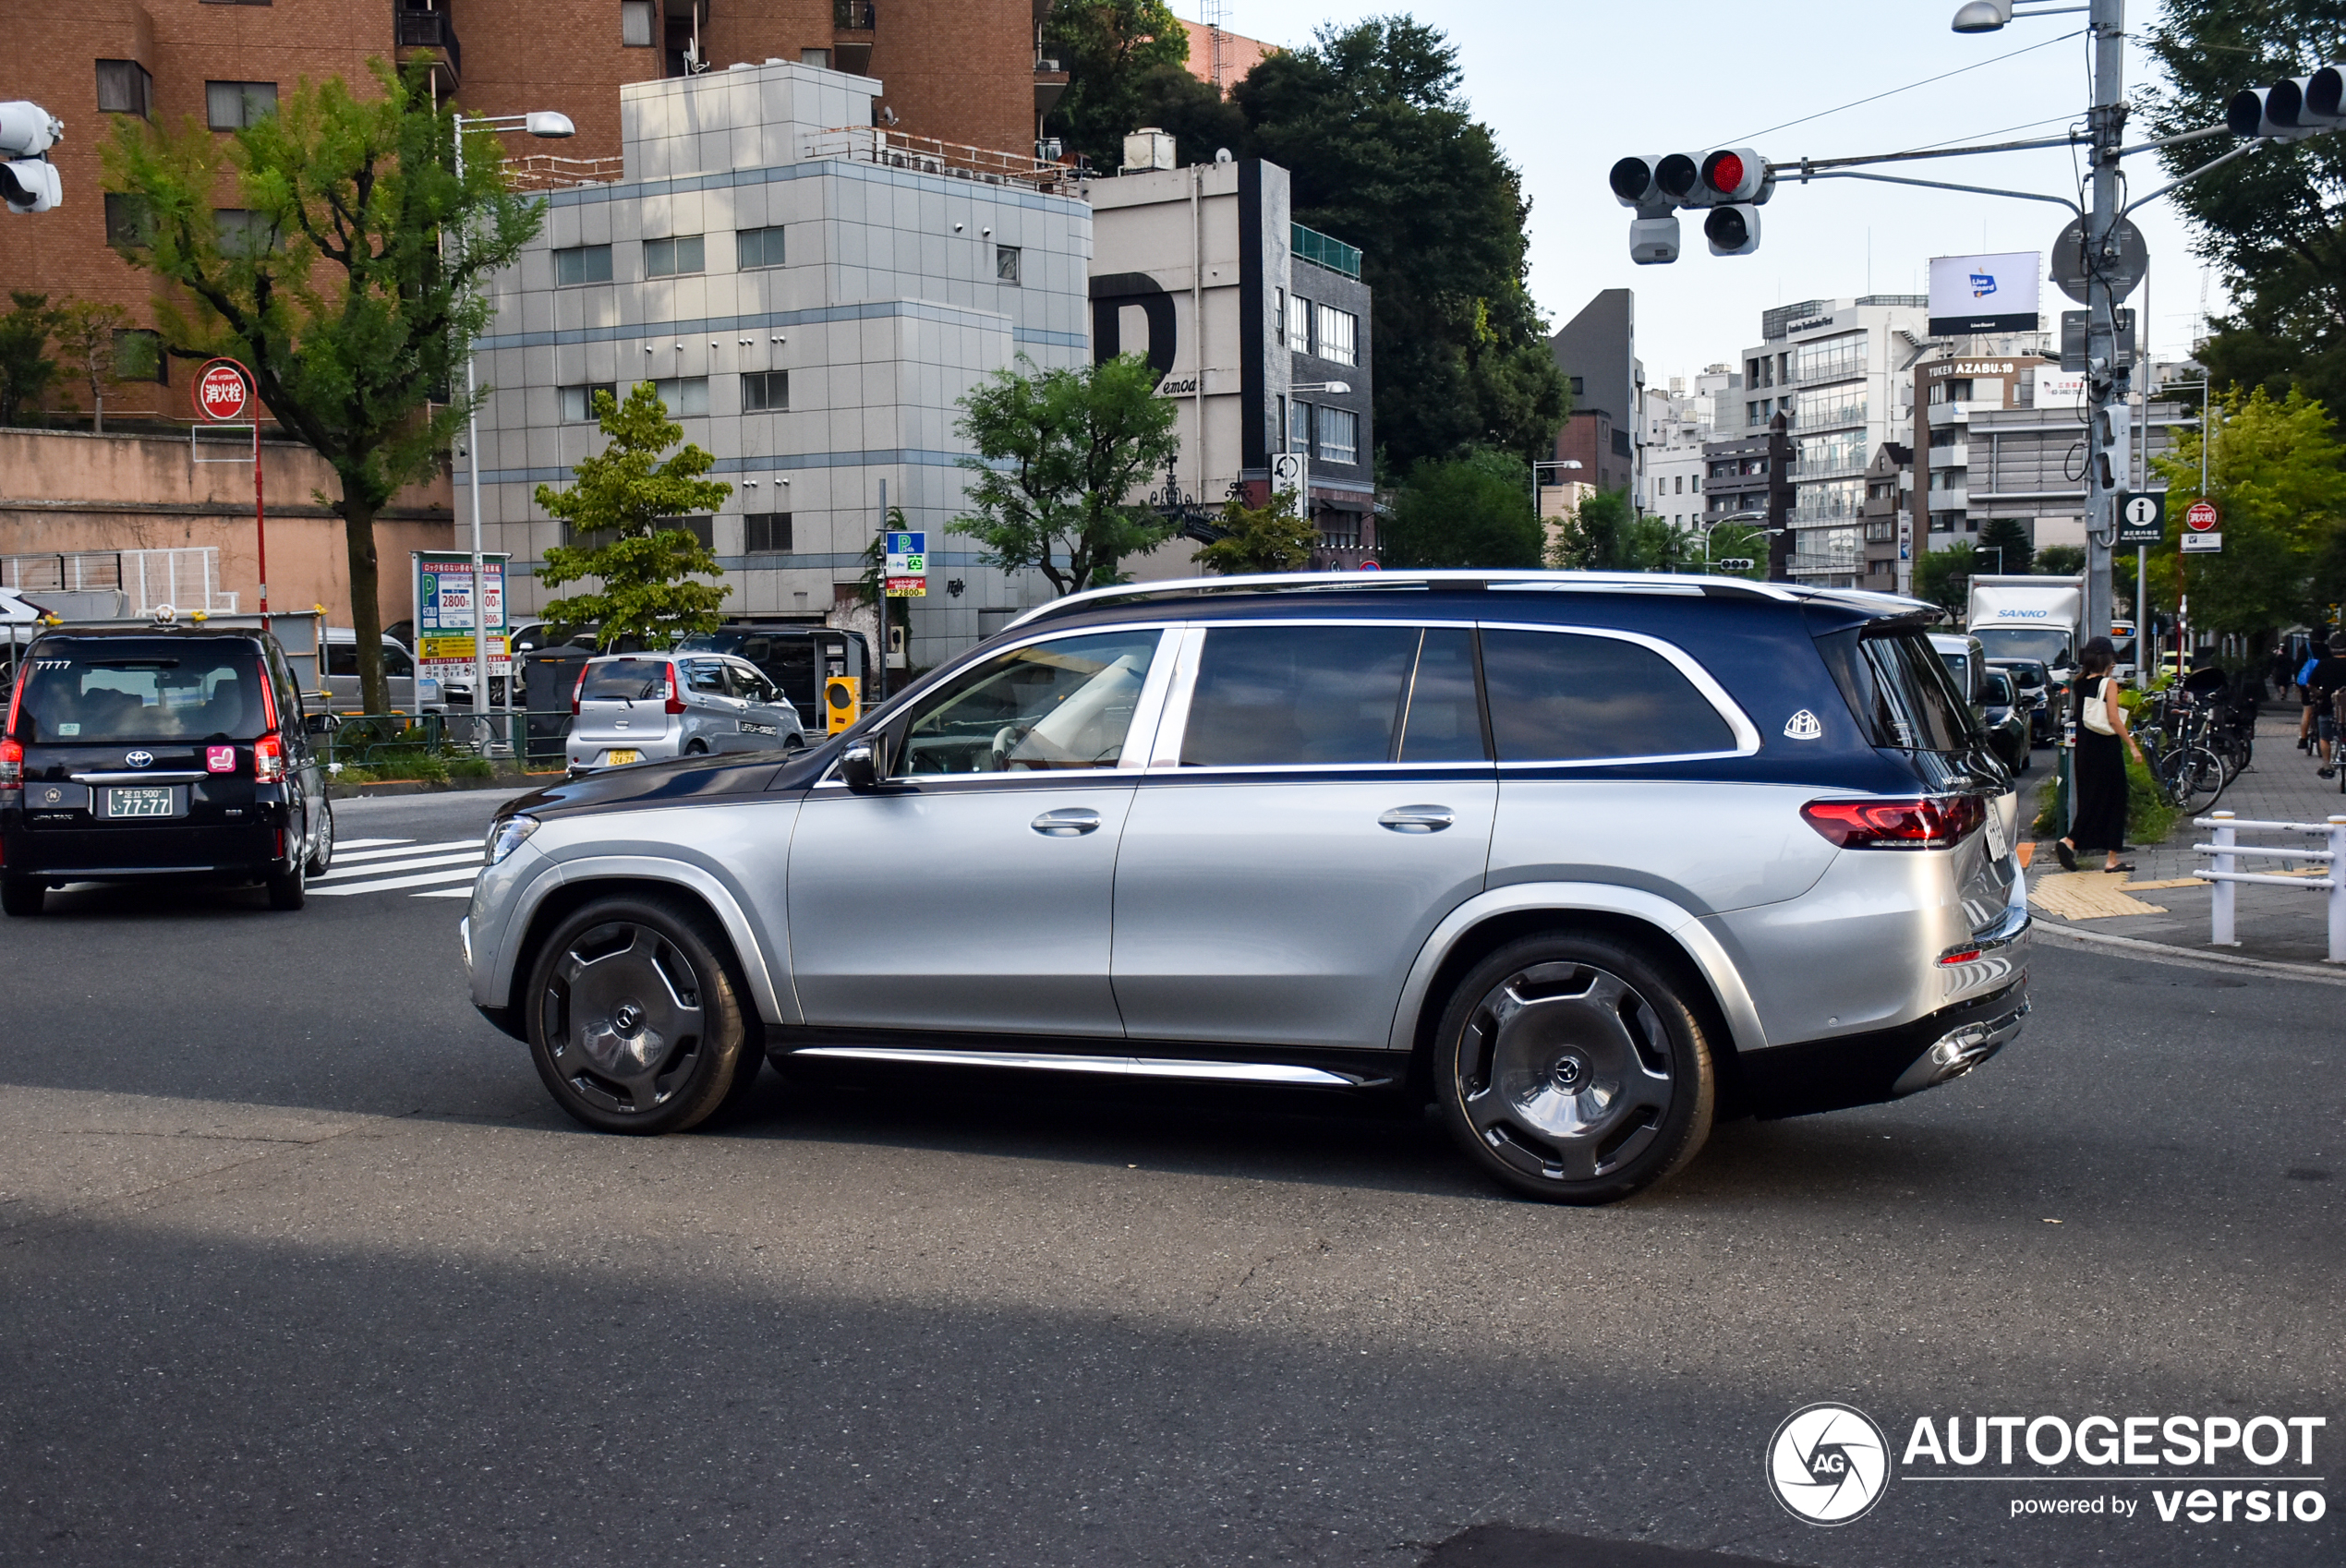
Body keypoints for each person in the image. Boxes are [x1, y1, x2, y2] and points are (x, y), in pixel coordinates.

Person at [2057, 636, 2145, 874]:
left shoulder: (2080, 682)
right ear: (2108, 658)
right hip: (2106, 749)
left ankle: (2071, 841)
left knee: (2091, 799)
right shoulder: (2109, 684)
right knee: (2116, 799)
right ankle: (2111, 858)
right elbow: (2114, 719)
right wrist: (2132, 746)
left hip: (2085, 749)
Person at [2307, 637, 2346, 780]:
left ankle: (2327, 765)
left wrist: (2318, 693)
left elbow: (2310, 684)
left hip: (2328, 708)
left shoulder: (2324, 664)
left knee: (2325, 737)